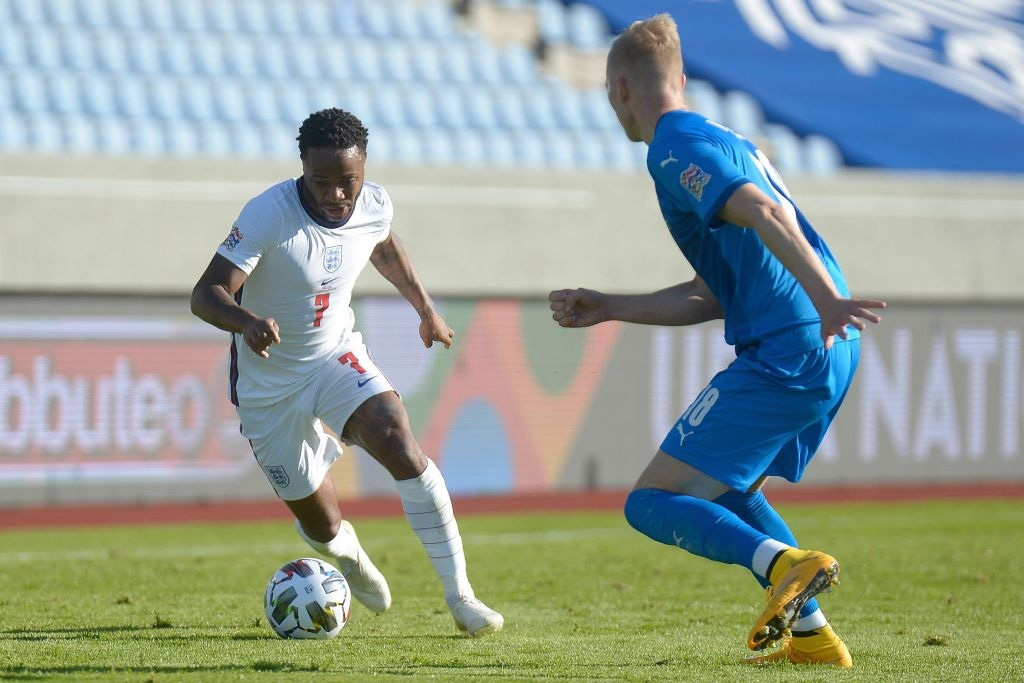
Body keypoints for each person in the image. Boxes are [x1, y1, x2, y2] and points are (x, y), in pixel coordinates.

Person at [548, 14, 885, 667]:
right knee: (728, 488)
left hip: (797, 337)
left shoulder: (672, 145)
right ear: (679, 78)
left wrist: (823, 299)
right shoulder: (724, 137)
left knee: (649, 502)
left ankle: (787, 562)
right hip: (823, 342)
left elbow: (764, 211)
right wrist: (610, 306)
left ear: (620, 89)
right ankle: (813, 637)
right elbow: (713, 291)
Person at [190, 108, 503, 637]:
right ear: (302, 170)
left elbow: (383, 243)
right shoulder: (269, 213)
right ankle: (352, 558)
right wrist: (246, 322)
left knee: (398, 439)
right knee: (322, 524)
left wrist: (425, 309)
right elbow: (206, 293)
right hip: (268, 388)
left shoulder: (374, 203)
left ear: (364, 170)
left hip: (335, 357)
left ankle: (462, 598)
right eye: (322, 182)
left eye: (347, 182)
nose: (336, 195)